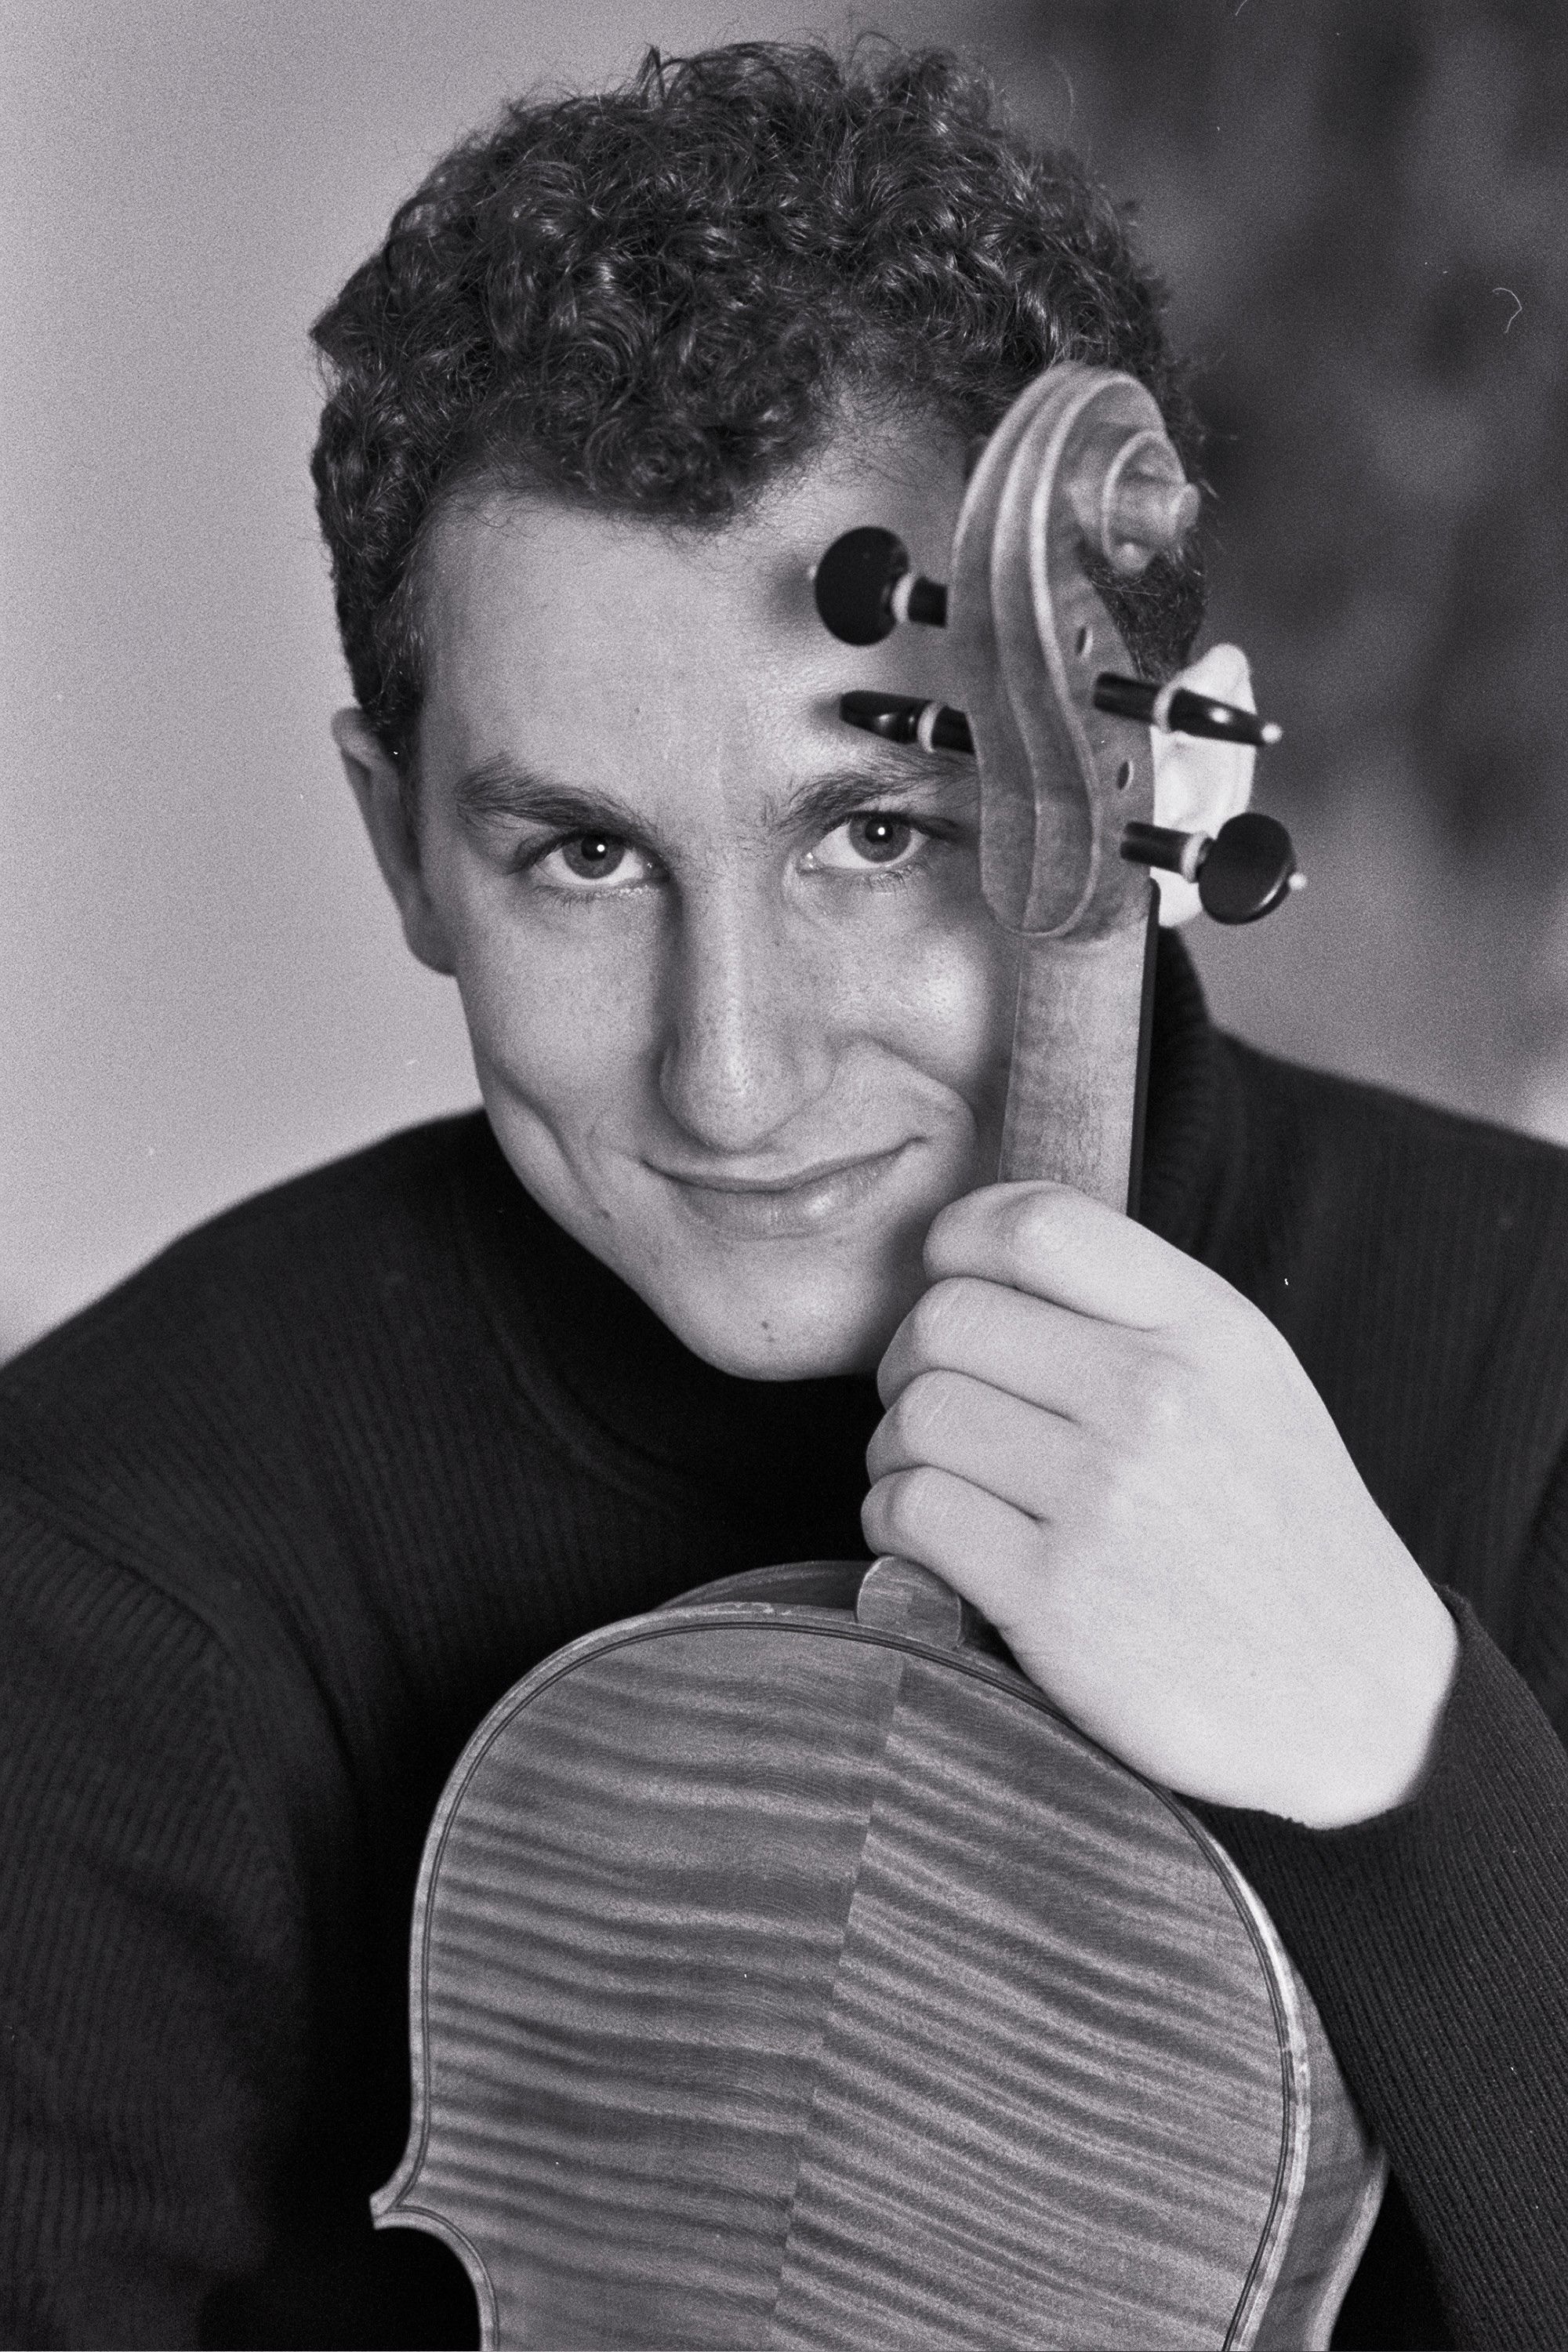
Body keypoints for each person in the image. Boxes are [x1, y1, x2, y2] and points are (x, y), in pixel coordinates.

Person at [3, 38, 1567, 2350]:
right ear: (401, 848)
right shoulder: (118, 1558)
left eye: (879, 833)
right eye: (582, 856)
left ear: (1158, 779)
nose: (728, 1072)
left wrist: (1415, 1769)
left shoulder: (1540, 1368)